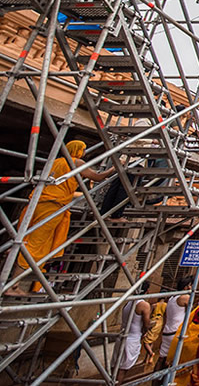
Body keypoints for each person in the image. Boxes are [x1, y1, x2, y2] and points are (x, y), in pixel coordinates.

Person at [8, 140, 113, 294]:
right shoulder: (75, 162)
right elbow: (97, 177)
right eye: (83, 149)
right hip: (53, 206)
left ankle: (14, 283)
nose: (84, 152)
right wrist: (113, 169)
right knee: (34, 244)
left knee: (27, 240)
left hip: (38, 203)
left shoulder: (55, 162)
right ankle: (12, 285)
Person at [155, 276, 194, 374]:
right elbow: (191, 313)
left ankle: (155, 380)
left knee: (162, 358)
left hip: (167, 331)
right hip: (177, 333)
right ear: (186, 287)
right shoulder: (185, 297)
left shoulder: (172, 298)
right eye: (190, 285)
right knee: (173, 361)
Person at [117, 283, 151, 385]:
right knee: (123, 370)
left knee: (116, 368)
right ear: (146, 291)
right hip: (132, 339)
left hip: (121, 336)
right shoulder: (144, 305)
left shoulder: (128, 302)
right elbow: (146, 325)